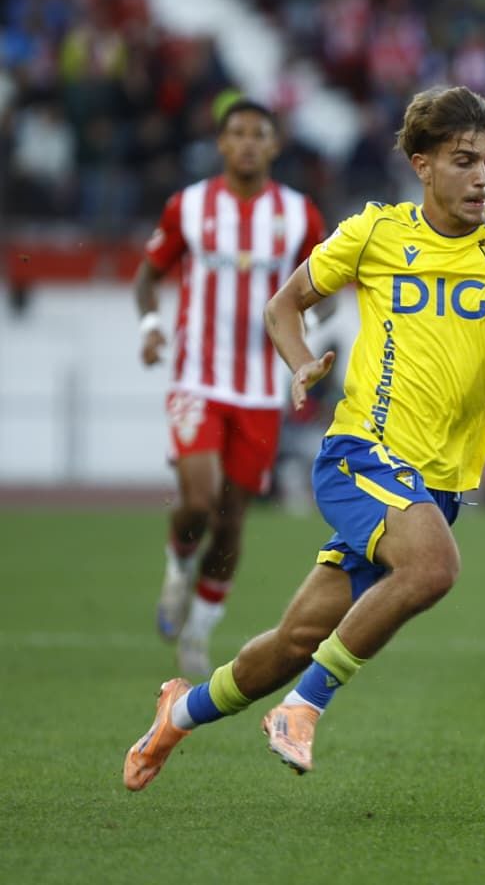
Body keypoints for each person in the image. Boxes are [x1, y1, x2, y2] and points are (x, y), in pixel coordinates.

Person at [125, 85, 485, 790]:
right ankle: (304, 708)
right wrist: (301, 362)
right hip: (363, 455)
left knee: (293, 640)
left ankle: (178, 714)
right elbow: (284, 305)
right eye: (463, 160)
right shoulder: (373, 234)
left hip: (438, 481)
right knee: (433, 570)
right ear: (420, 163)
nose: (482, 176)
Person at [134, 99, 327, 676]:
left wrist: (309, 324)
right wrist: (150, 327)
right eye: (236, 133)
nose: (246, 143)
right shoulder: (189, 206)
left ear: (273, 146)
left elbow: (325, 280)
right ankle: (176, 566)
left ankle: (198, 630)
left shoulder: (298, 216)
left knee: (232, 517)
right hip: (197, 376)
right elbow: (149, 274)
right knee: (197, 500)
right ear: (221, 144)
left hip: (262, 387)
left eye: (258, 134)